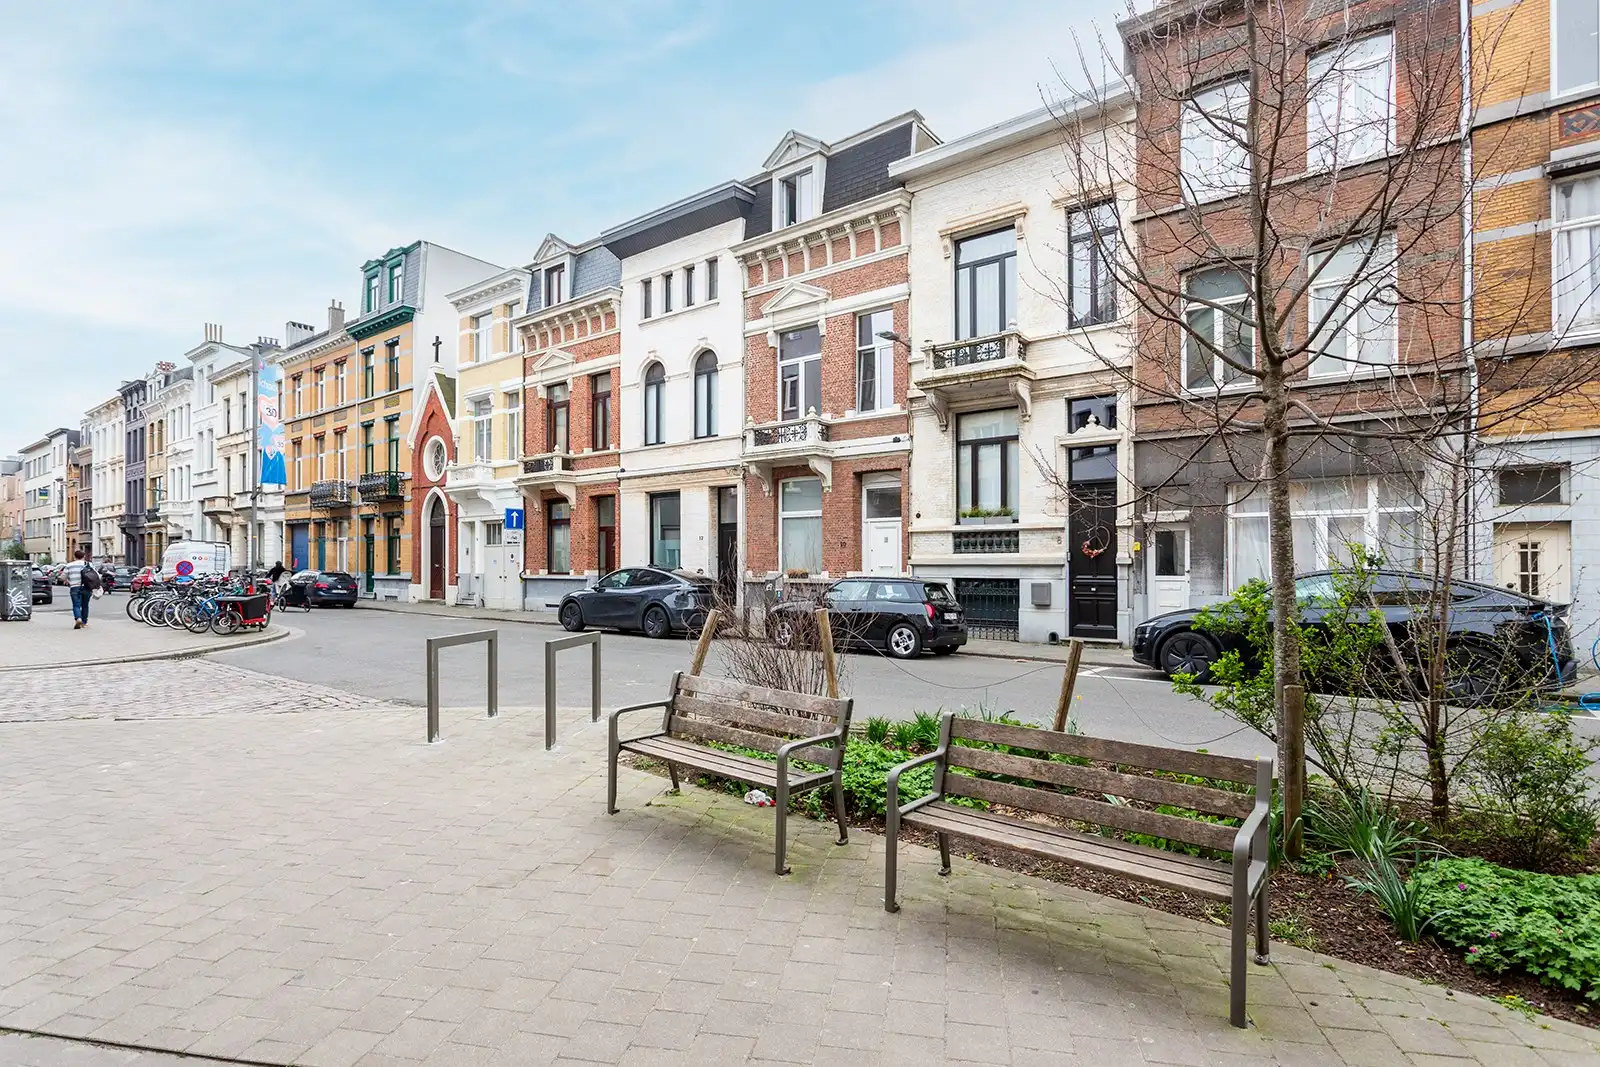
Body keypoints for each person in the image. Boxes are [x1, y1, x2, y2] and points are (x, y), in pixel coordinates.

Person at [63, 550, 94, 629]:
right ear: (84, 556)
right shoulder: (89, 564)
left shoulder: (69, 565)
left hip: (74, 587)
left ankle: (78, 618)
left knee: (76, 605)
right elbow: (96, 575)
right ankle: (84, 622)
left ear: (74, 556)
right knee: (85, 605)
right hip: (87, 587)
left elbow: (62, 576)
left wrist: (67, 580)